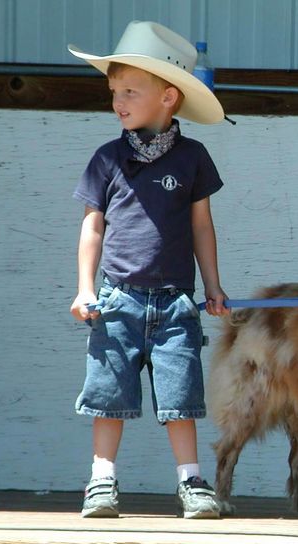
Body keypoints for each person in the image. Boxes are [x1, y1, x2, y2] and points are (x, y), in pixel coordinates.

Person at [67, 20, 228, 519]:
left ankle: (192, 482)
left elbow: (202, 227)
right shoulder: (107, 159)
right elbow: (93, 227)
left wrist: (214, 287)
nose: (119, 101)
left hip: (177, 301)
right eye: (114, 91)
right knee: (108, 395)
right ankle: (101, 480)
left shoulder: (193, 158)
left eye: (131, 91)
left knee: (180, 396)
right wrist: (84, 289)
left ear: (169, 97)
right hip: (117, 299)